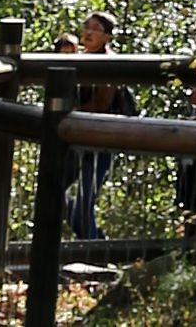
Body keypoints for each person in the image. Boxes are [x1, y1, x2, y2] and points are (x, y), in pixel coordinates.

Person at [64, 13, 136, 247]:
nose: (89, 32)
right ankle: (98, 247)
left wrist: (69, 110)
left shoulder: (109, 62)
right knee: (53, 190)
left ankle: (95, 255)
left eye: (96, 28)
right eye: (87, 27)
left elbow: (102, 104)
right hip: (75, 138)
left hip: (101, 140)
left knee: (84, 205)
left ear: (106, 36)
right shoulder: (78, 58)